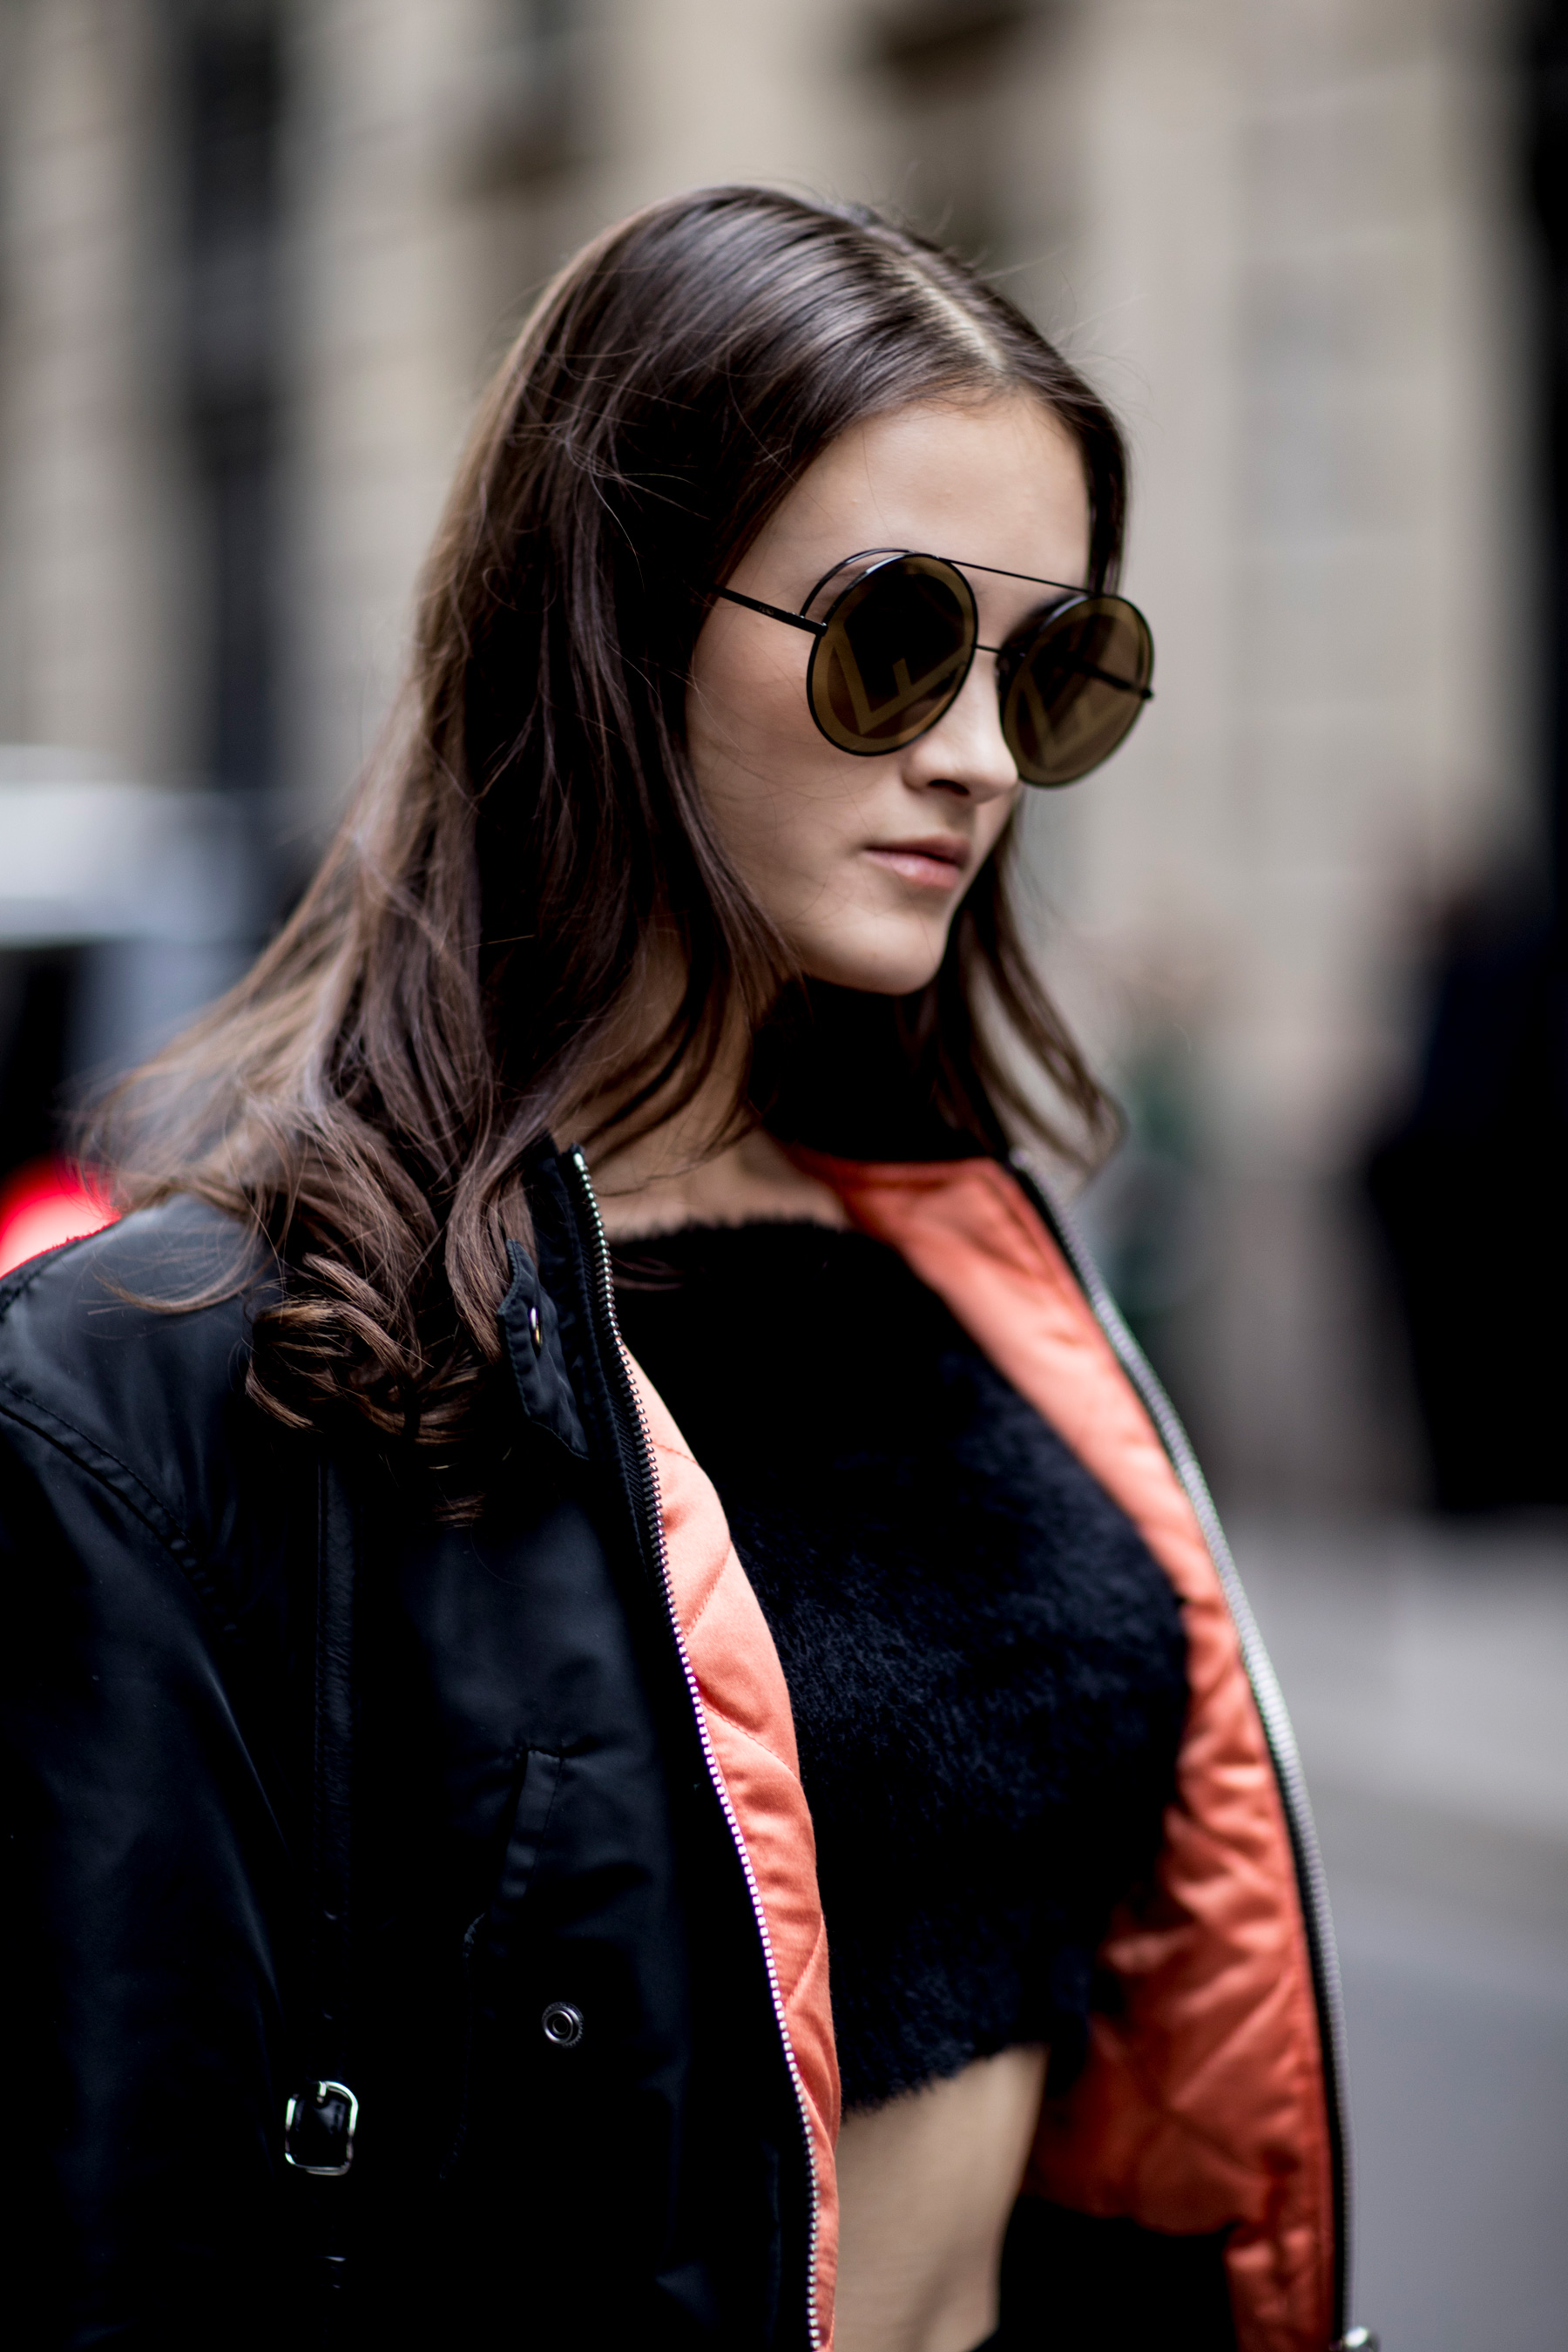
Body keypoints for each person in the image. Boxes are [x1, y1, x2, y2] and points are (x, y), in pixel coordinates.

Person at [2, 188, 1362, 2352]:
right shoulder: (179, 1390)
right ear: (615, 623)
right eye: (896, 637)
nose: (978, 756)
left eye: (1054, 670)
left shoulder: (976, 1267)